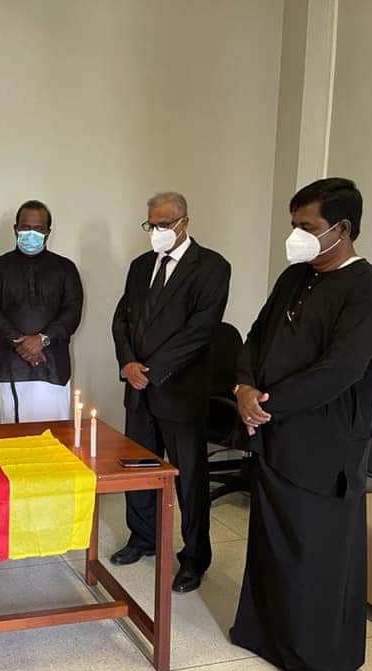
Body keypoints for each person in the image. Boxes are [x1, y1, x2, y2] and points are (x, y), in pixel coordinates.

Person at [230, 178, 372, 671]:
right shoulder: (294, 276)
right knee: (272, 543)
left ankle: (319, 661)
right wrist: (243, 386)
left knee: (316, 554)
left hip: (325, 446)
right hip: (274, 435)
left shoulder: (369, 291)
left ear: (341, 229)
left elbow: (340, 370)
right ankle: (265, 636)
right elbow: (256, 335)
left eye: (307, 226)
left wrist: (265, 405)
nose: (295, 236)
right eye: (294, 225)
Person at [110, 191, 230, 593]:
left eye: (163, 224)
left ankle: (194, 558)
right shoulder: (141, 265)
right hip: (139, 391)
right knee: (139, 471)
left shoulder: (211, 267)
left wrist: (153, 370)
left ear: (184, 222)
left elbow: (201, 329)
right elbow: (121, 319)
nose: (156, 231)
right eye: (151, 224)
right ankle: (142, 537)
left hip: (181, 392)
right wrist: (128, 363)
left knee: (190, 480)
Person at [0, 200, 83, 423]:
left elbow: (72, 311)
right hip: (12, 367)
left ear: (48, 232)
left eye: (38, 228)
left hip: (54, 366)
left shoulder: (65, 268)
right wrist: (19, 342)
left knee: (56, 437)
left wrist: (42, 339)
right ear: (15, 229)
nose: (31, 233)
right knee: (15, 439)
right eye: (25, 228)